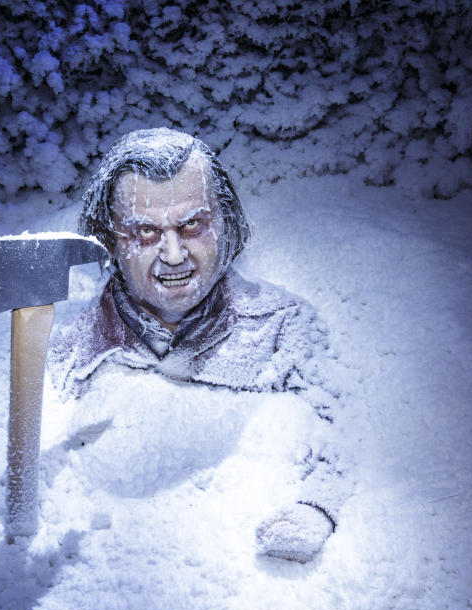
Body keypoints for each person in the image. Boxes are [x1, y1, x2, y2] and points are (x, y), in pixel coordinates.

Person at [48, 128, 345, 563]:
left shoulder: (283, 327)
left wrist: (318, 507)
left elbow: (349, 432)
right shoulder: (71, 350)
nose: (173, 254)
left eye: (192, 225)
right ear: (108, 240)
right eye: (145, 232)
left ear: (225, 223)